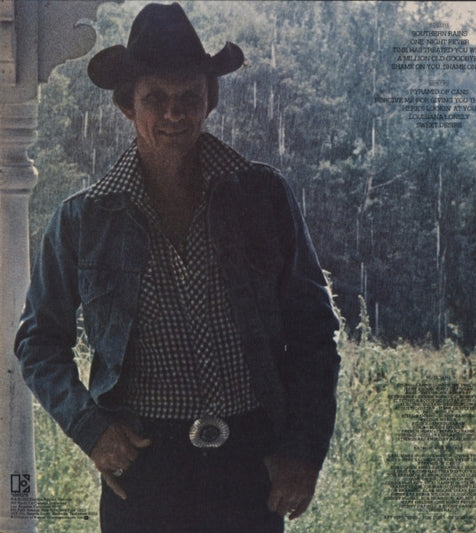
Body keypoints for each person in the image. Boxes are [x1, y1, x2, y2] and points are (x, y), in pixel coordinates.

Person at [14, 3, 340, 532]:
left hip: (251, 461)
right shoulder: (84, 219)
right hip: (144, 466)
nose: (173, 113)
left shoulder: (262, 197)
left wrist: (303, 450)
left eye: (189, 96)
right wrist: (91, 429)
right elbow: (38, 341)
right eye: (155, 98)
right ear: (127, 105)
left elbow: (313, 331)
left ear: (209, 101)